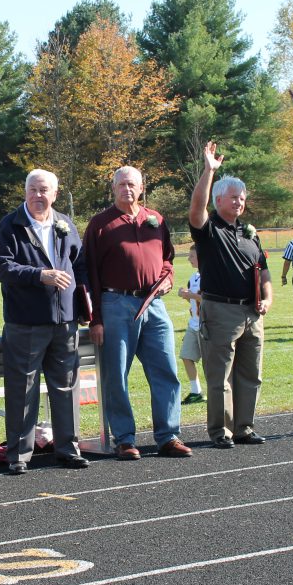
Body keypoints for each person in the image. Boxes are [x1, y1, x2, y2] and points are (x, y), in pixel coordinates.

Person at [85, 166, 192, 461]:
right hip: (115, 303)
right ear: (113, 188)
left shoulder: (155, 219)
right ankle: (124, 439)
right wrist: (95, 318)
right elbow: (89, 272)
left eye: (131, 184)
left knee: (166, 369)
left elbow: (167, 257)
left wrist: (168, 276)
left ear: (141, 187)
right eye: (120, 184)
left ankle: (168, 436)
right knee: (117, 374)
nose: (126, 189)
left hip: (154, 304)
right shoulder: (100, 224)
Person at [0, 169, 90, 474]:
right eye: (33, 190)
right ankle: (19, 454)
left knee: (66, 387)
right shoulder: (11, 225)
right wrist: (39, 275)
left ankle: (68, 449)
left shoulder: (65, 224)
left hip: (65, 322)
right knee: (23, 389)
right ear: (25, 192)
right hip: (27, 323)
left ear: (55, 194)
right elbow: (1, 268)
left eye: (44, 190)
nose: (38, 196)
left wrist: (85, 307)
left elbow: (80, 265)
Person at [188, 142, 273, 449]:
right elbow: (196, 210)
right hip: (221, 311)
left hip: (252, 313)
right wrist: (209, 171)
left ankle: (244, 428)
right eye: (232, 197)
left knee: (251, 374)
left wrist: (268, 297)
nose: (238, 202)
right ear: (218, 199)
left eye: (242, 198)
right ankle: (220, 432)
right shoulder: (209, 230)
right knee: (219, 377)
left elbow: (263, 270)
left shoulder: (249, 234)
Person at [176, 245, 205, 405]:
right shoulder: (194, 277)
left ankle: (218, 393)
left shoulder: (210, 276)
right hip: (193, 324)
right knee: (186, 356)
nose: (188, 259)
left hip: (207, 325)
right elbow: (194, 299)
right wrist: (185, 295)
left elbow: (210, 300)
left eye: (191, 256)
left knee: (210, 362)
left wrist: (191, 295)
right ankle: (196, 391)